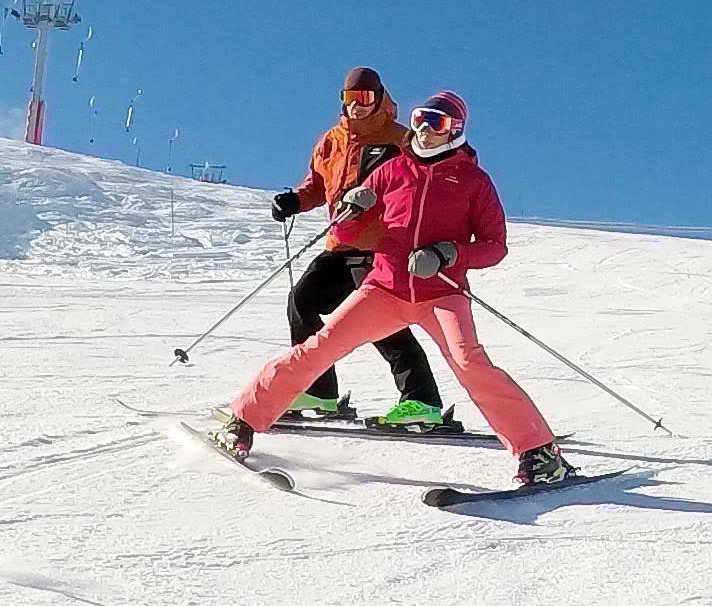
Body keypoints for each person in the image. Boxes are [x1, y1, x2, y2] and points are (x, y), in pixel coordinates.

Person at [212, 90, 575, 488]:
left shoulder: (473, 180)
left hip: (442, 292)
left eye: (434, 121)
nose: (422, 127)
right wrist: (353, 208)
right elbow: (346, 231)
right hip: (385, 287)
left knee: (470, 363)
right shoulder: (392, 171)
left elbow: (494, 246)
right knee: (321, 345)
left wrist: (447, 253)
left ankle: (539, 452)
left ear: (454, 130)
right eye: (420, 117)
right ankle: (243, 420)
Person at [265, 68, 452, 430]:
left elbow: (427, 179)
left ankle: (421, 400)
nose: (357, 107)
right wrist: (294, 201)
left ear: (379, 98)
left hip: (381, 248)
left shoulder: (401, 139)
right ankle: (319, 392)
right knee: (301, 302)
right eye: (349, 99)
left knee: (383, 324)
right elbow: (317, 187)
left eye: (364, 99)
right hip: (341, 243)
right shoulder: (331, 141)